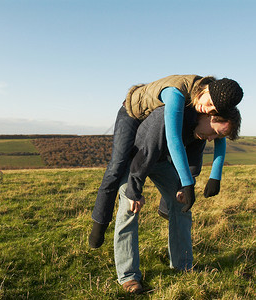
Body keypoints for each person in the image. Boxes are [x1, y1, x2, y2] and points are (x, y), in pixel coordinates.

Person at [89, 75, 243, 248]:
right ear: (207, 89)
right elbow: (173, 139)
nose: (208, 110)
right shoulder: (176, 93)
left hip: (158, 121)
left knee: (169, 155)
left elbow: (218, 134)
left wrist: (215, 176)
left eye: (214, 110)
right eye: (210, 104)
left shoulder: (205, 101)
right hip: (133, 114)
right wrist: (187, 184)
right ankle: (99, 223)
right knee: (117, 166)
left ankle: (166, 208)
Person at [114, 106, 241, 294]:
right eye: (214, 133)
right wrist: (135, 192)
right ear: (209, 115)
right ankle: (129, 276)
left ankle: (183, 265)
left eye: (217, 137)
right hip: (135, 158)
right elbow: (144, 156)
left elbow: (192, 162)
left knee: (183, 205)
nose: (211, 139)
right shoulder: (173, 116)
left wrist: (184, 187)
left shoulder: (201, 133)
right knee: (129, 208)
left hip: (160, 162)